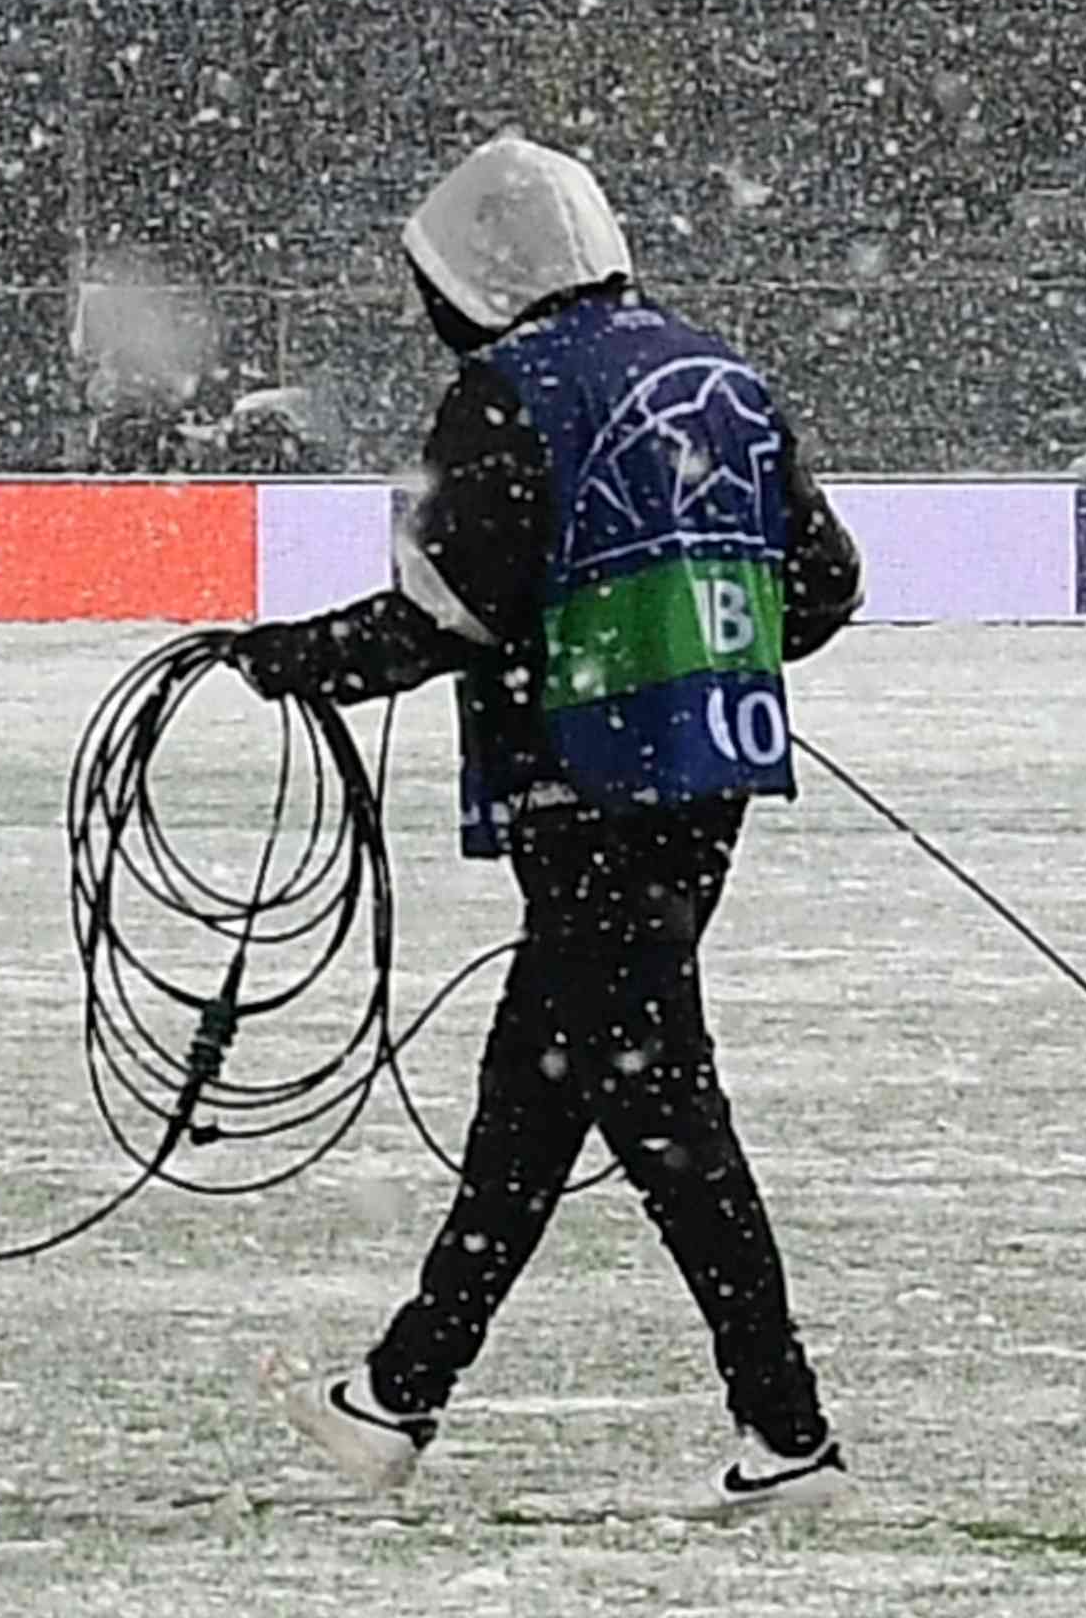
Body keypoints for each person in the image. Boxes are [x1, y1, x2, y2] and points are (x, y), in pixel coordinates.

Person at [227, 129, 864, 1517]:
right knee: (627, 1096)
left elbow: (446, 617)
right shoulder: (720, 374)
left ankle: (410, 1397)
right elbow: (820, 586)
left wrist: (287, 658)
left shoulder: (510, 394)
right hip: (706, 792)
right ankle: (748, 1424)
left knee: (570, 1097)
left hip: (586, 796)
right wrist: (700, 639)